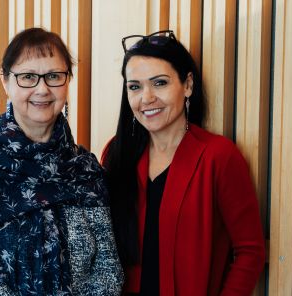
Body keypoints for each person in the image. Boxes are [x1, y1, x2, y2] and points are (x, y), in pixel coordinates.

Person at [0, 27, 123, 295]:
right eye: (28, 77)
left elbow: (108, 267)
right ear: (5, 81)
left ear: (68, 80)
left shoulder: (84, 169)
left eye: (53, 76)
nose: (42, 89)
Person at [101, 30, 266, 295]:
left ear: (188, 84)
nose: (146, 98)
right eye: (135, 87)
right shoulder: (116, 153)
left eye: (160, 83)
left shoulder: (219, 156)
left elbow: (250, 251)